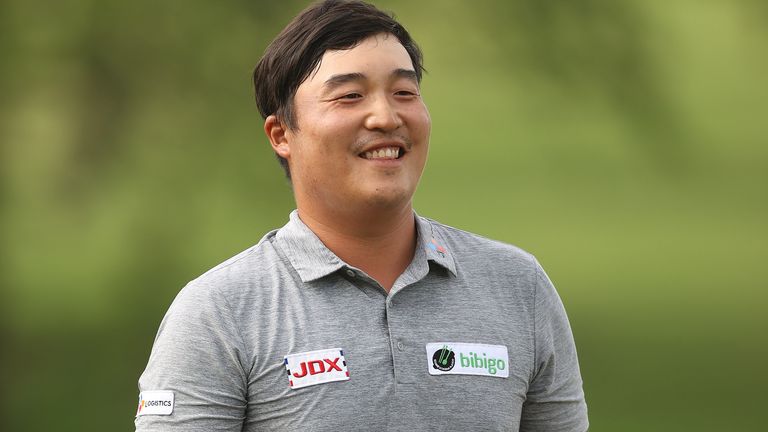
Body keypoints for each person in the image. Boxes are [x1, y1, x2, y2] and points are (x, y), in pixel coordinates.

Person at [135, 0, 589, 430]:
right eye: (350, 95)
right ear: (280, 134)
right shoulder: (219, 312)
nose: (385, 117)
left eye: (404, 92)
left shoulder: (518, 287)